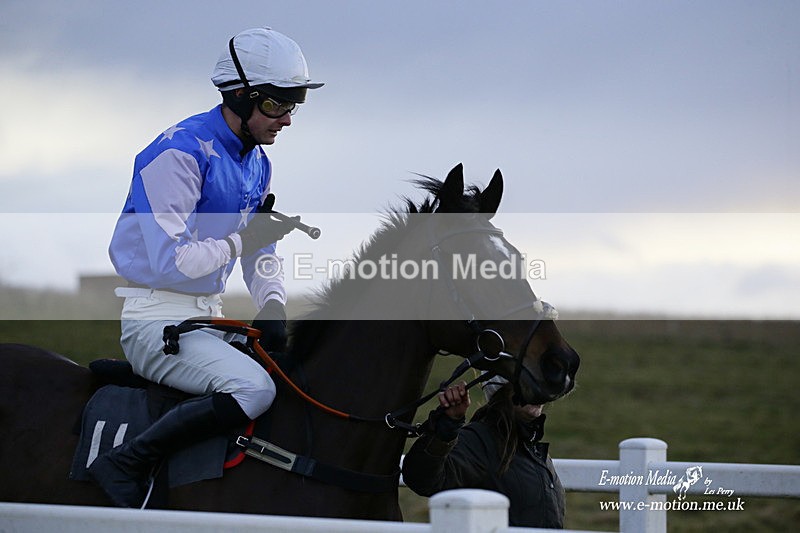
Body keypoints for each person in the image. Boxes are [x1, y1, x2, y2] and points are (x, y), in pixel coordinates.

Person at [88, 26, 323, 508]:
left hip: (206, 319)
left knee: (293, 376)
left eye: (293, 105)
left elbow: (260, 247)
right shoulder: (177, 153)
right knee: (254, 389)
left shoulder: (257, 163)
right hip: (155, 319)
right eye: (276, 104)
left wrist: (273, 304)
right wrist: (243, 240)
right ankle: (126, 462)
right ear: (239, 96)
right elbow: (172, 261)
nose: (287, 119)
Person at [402, 377, 566, 528]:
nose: (537, 392)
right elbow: (423, 479)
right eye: (527, 384)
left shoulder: (530, 444)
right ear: (500, 389)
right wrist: (446, 427)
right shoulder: (480, 440)